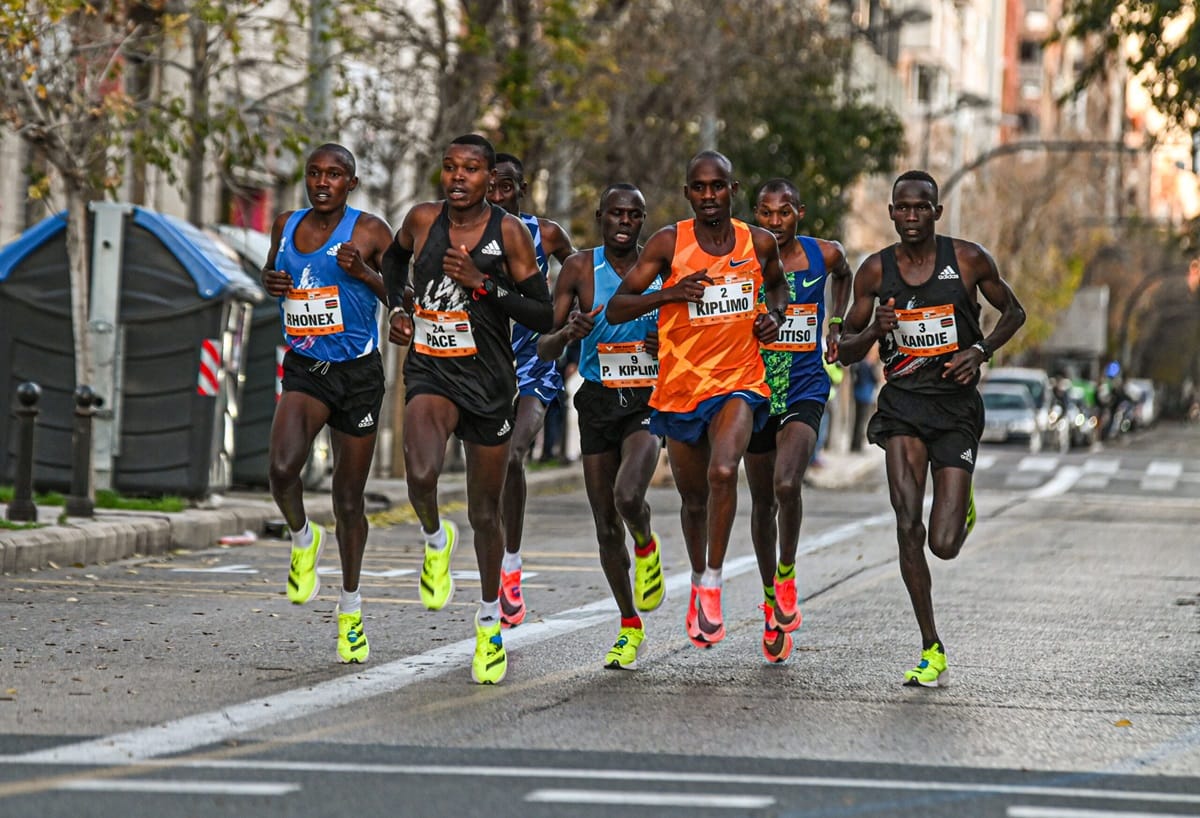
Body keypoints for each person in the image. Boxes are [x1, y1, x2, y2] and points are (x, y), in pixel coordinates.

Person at [837, 169, 1026, 687]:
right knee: (906, 524)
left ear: (936, 213)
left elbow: (1015, 311)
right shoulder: (874, 272)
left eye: (922, 207)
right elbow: (845, 349)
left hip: (955, 409)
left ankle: (959, 501)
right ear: (892, 212)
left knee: (943, 543)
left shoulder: (967, 260)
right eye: (903, 207)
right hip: (902, 408)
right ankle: (930, 646)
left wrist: (980, 350)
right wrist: (874, 329)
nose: (912, 216)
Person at [383, 134, 553, 684]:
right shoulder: (420, 219)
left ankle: (488, 625)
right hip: (432, 368)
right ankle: (435, 538)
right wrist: (400, 307)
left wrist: (483, 285)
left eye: (472, 169)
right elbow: (392, 263)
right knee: (421, 473)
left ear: (488, 177)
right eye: (451, 167)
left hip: (489, 381)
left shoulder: (509, 233)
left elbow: (542, 314)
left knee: (485, 511)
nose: (459, 177)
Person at [607, 151, 788, 649]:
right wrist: (669, 294)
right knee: (693, 500)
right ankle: (696, 575)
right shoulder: (669, 242)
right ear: (688, 192)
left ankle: (712, 581)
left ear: (733, 189)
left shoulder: (759, 242)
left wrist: (773, 315)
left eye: (718, 186)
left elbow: (777, 289)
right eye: (699, 187)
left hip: (739, 379)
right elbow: (620, 306)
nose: (709, 195)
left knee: (724, 471)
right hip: (681, 386)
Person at [260, 143, 394, 665]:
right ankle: (301, 536)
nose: (323, 182)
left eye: (334, 175)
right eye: (315, 173)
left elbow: (400, 295)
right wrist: (270, 282)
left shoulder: (371, 232)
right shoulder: (285, 224)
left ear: (351, 183)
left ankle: (351, 610)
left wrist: (363, 272)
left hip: (357, 374)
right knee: (280, 468)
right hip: (306, 367)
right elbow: (275, 276)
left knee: (348, 498)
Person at [537, 183, 665, 669]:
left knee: (628, 495)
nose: (624, 223)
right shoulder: (577, 269)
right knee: (605, 525)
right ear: (600, 218)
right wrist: (568, 332)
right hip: (596, 400)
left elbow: (687, 329)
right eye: (615, 214)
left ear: (642, 220)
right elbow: (544, 347)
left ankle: (648, 543)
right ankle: (629, 624)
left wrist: (665, 342)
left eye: (633, 215)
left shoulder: (659, 268)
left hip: (648, 401)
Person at [743, 178, 851, 663]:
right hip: (756, 388)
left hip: (805, 386)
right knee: (762, 499)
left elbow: (845, 274)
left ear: (799, 213)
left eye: (783, 213)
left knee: (789, 483)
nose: (774, 223)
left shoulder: (823, 254)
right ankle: (771, 600)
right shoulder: (744, 257)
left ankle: (786, 571)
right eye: (765, 214)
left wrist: (836, 323)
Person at [486, 152, 575, 628]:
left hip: (535, 365)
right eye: (492, 186)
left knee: (513, 453)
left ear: (522, 189)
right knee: (489, 467)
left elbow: (581, 275)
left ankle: (511, 567)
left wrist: (563, 319)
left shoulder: (547, 233)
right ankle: (494, 557)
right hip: (482, 367)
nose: (498, 195)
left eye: (507, 186)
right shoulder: (469, 233)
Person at [850, 351, 881, 452]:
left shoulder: (858, 364)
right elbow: (876, 379)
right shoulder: (868, 365)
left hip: (858, 394)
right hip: (865, 395)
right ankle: (857, 446)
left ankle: (855, 444)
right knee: (861, 421)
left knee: (857, 420)